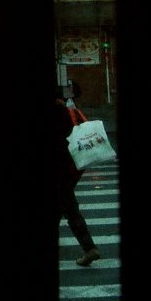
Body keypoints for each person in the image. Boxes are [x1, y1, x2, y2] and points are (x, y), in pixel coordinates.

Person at [54, 90, 100, 266]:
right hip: (71, 167)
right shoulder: (67, 112)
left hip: (58, 169)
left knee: (70, 209)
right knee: (63, 205)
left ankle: (90, 248)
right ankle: (89, 248)